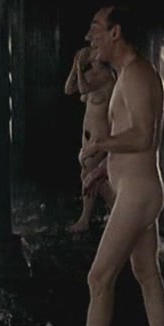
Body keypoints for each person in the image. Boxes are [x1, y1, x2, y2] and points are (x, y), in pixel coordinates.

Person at [80, 5, 164, 326]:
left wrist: (99, 143)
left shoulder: (136, 74)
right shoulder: (129, 74)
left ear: (115, 32)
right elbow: (132, 138)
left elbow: (144, 136)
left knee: (98, 278)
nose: (90, 37)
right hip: (139, 190)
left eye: (96, 28)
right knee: (147, 273)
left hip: (138, 194)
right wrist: (102, 169)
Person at [64, 46, 116, 233]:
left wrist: (79, 66)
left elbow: (84, 88)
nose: (91, 51)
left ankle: (85, 220)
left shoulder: (106, 76)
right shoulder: (90, 75)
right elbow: (69, 89)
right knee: (91, 177)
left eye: (95, 49)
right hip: (88, 135)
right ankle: (117, 211)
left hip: (100, 135)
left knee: (90, 176)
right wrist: (75, 66)